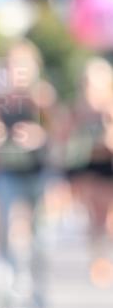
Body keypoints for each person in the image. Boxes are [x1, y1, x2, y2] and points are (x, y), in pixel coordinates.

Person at [0, 40, 55, 306]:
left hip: (38, 172)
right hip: (8, 171)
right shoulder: (1, 100)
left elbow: (60, 132)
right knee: (9, 222)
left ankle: (38, 286)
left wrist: (41, 136)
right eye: (13, 65)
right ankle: (13, 277)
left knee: (39, 232)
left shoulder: (43, 97)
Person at [64, 57, 113, 285]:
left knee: (108, 218)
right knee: (96, 217)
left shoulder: (109, 108)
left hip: (109, 164)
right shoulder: (79, 110)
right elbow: (65, 135)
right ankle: (99, 261)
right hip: (89, 167)